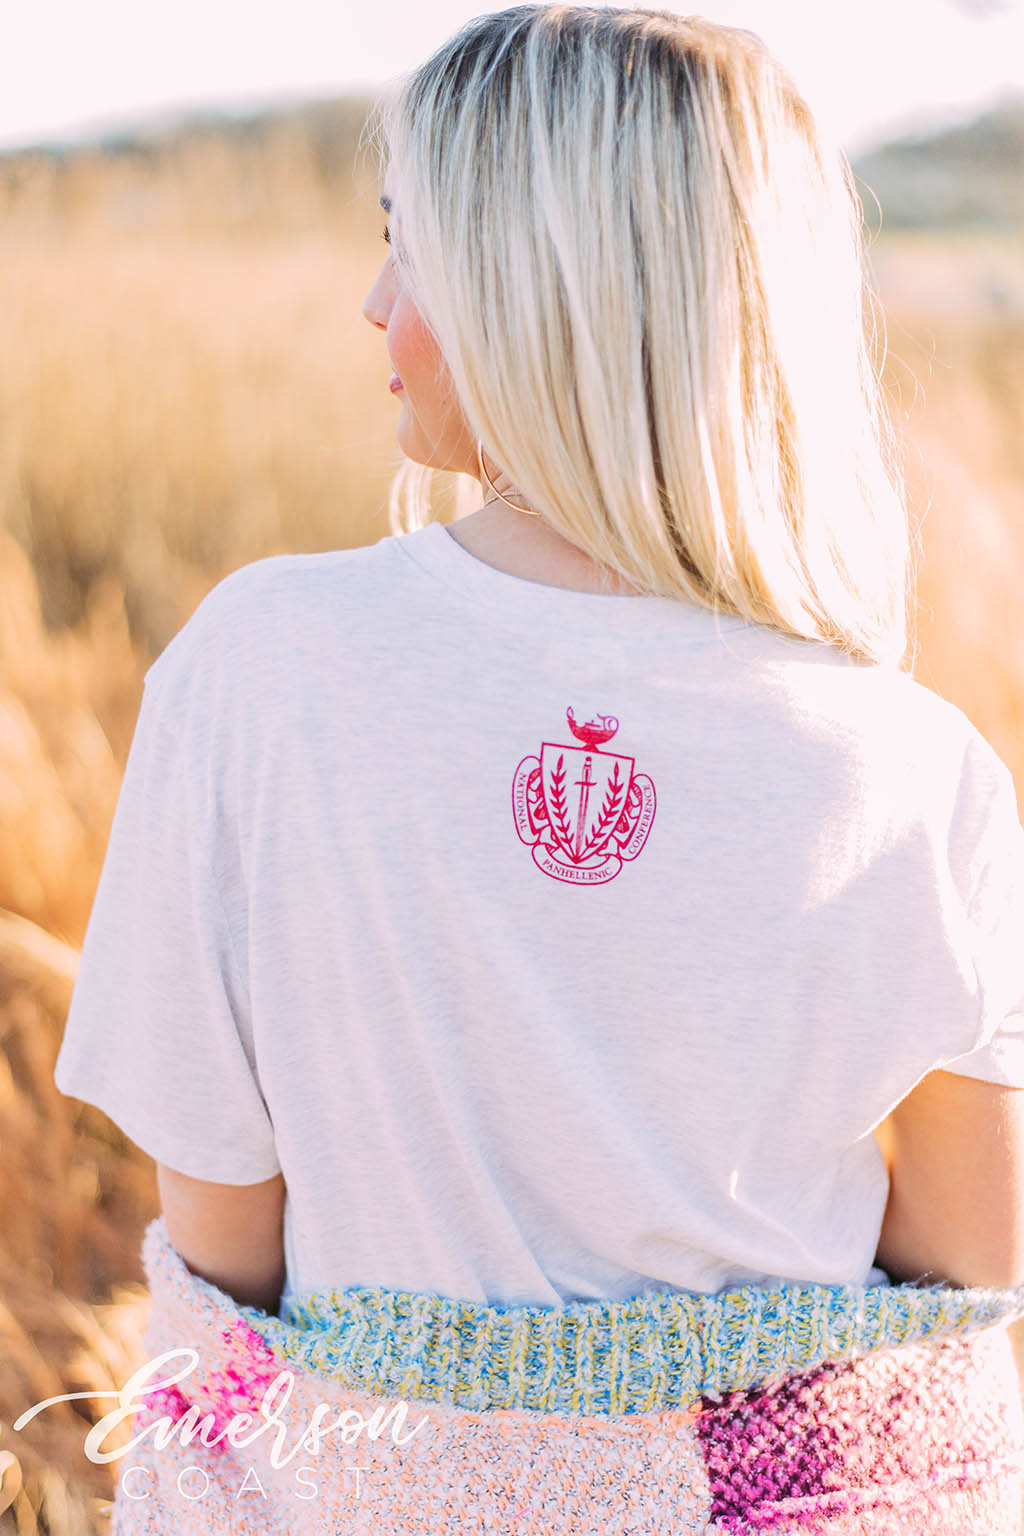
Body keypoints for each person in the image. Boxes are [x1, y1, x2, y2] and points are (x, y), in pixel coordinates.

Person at [53, 6, 1024, 1532]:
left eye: (412, 249)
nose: (375, 303)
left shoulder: (261, 665)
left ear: (537, 292)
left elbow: (223, 1236)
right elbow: (970, 1257)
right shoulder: (911, 759)